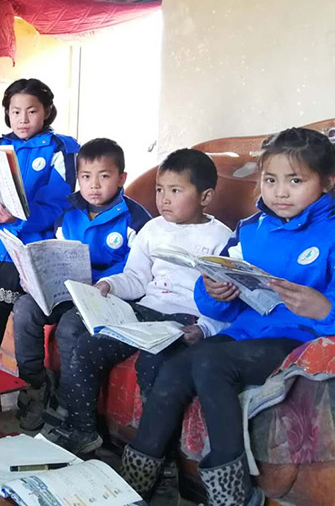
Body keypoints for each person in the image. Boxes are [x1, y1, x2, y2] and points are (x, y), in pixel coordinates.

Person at [119, 128, 335, 506]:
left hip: (298, 337)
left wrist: (326, 309)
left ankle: (231, 491)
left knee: (209, 362)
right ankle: (136, 483)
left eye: (296, 181)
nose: (280, 192)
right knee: (173, 369)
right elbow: (218, 301)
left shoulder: (331, 232)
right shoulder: (251, 230)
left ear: (327, 182)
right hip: (245, 332)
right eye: (270, 180)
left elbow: (325, 310)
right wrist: (213, 291)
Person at [50, 148, 233, 457]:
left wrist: (204, 328)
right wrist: (109, 285)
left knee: (154, 365)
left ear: (205, 197)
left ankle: (158, 458)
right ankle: (83, 430)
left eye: (175, 191)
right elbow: (136, 277)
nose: (164, 199)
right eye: (160, 190)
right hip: (143, 311)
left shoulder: (221, 239)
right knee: (87, 348)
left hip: (183, 319)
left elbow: (227, 300)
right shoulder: (153, 228)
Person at [13, 138, 152, 431]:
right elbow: (55, 250)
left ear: (121, 178)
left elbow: (137, 271)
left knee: (69, 327)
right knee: (25, 307)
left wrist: (101, 283)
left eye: (105, 176)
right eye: (86, 177)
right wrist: (35, 276)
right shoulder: (69, 211)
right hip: (67, 289)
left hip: (105, 295)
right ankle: (35, 384)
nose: (94, 186)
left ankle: (66, 400)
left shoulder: (136, 219)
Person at [0, 79, 79, 367]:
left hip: (25, 249)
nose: (23, 119)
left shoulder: (61, 148)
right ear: (7, 113)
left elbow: (59, 202)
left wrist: (18, 217)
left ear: (47, 111)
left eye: (32, 111)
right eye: (15, 111)